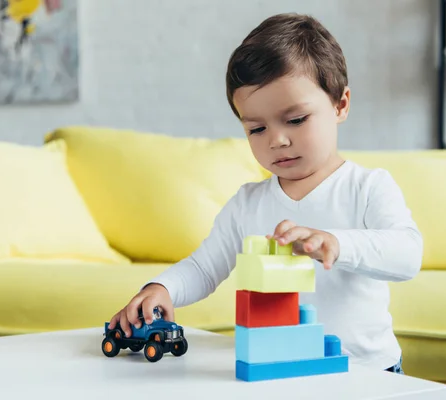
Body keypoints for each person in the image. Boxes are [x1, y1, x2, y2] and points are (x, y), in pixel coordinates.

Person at [108, 12, 422, 374]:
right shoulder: (248, 204)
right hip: (280, 370)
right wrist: (162, 288)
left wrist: (336, 243)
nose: (277, 140)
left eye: (296, 120)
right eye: (257, 128)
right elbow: (203, 268)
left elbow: (407, 254)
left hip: (368, 372)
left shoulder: (367, 187)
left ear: (341, 104)